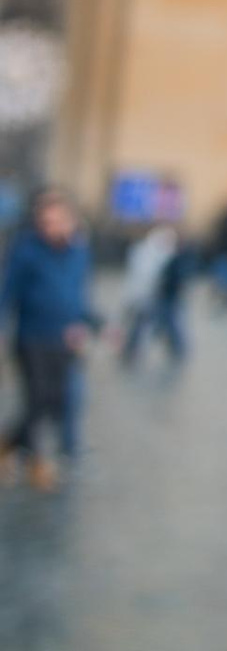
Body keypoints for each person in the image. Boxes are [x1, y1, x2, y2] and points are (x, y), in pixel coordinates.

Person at [2, 188, 100, 488]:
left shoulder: (80, 251)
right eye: (45, 222)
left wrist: (92, 323)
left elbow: (77, 296)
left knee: (55, 401)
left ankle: (7, 445)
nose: (50, 228)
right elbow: (8, 292)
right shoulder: (26, 251)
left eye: (56, 221)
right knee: (37, 399)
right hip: (32, 336)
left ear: (70, 221)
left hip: (64, 338)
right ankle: (36, 461)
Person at [118, 220, 189, 367]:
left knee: (163, 323)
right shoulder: (153, 253)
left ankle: (177, 348)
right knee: (155, 322)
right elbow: (144, 277)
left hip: (161, 296)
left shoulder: (154, 252)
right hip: (153, 296)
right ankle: (177, 348)